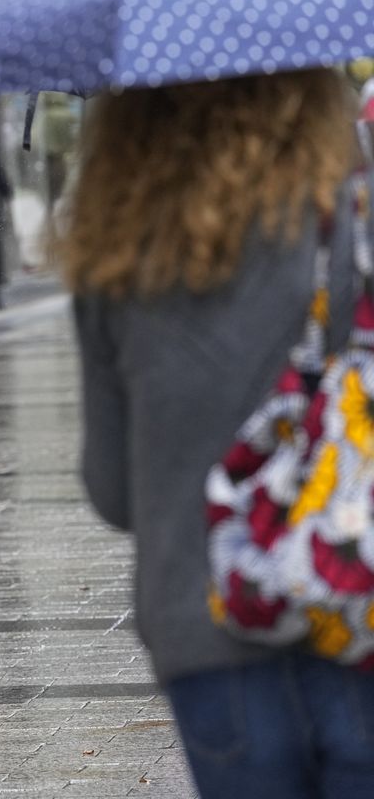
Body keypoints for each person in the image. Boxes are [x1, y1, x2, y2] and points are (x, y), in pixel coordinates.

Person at [63, 69, 374, 798]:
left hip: (207, 634)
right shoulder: (350, 220)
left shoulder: (115, 258)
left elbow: (114, 493)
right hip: (354, 606)